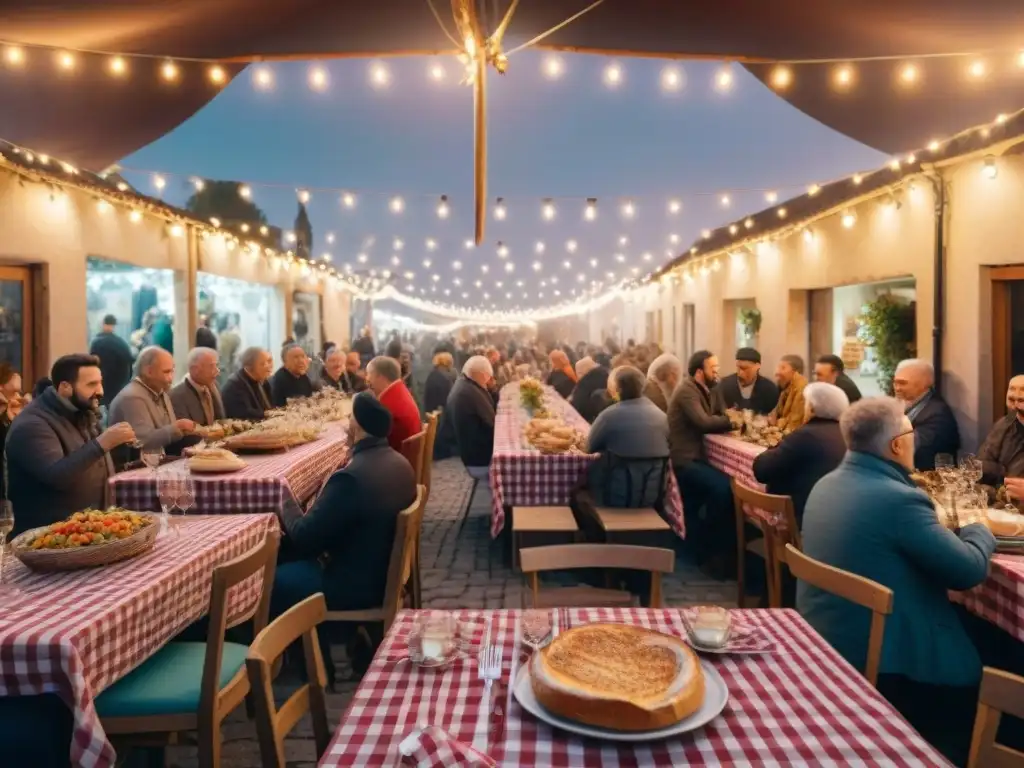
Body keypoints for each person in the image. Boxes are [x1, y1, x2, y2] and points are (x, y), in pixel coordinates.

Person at [799, 397, 996, 765]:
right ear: (897, 444)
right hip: (886, 654)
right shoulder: (898, 500)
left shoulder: (826, 484)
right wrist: (978, 528)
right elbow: (969, 571)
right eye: (911, 432)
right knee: (998, 641)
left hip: (832, 632)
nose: (914, 440)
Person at [272, 392, 417, 673]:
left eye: (350, 418)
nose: (347, 424)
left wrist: (284, 497)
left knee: (269, 579)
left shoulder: (351, 478)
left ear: (359, 426)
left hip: (350, 586)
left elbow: (304, 538)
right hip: (380, 574)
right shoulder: (398, 463)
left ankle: (308, 666)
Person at [6, 354, 137, 535]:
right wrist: (102, 443)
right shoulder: (32, 424)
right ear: (65, 387)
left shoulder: (82, 410)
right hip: (48, 541)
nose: (100, 391)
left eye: (100, 382)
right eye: (91, 384)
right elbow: (56, 476)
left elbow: (96, 465)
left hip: (91, 531)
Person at [668, 351, 736, 577]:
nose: (717, 371)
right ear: (699, 371)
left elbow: (721, 413)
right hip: (684, 459)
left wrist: (727, 416)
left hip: (698, 457)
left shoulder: (711, 388)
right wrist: (731, 421)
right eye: (712, 367)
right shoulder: (687, 390)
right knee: (724, 489)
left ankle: (711, 547)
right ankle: (713, 551)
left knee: (718, 488)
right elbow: (705, 422)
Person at [752, 382, 849, 527]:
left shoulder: (806, 435)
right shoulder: (847, 435)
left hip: (806, 520)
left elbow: (762, 471)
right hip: (839, 516)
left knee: (751, 501)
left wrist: (773, 447)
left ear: (811, 408)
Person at [586, 366, 670, 507]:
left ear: (618, 390)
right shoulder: (662, 416)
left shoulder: (608, 416)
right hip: (652, 499)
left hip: (614, 497)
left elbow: (588, 448)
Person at [108, 347, 195, 461]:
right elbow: (143, 442)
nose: (171, 378)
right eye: (166, 372)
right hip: (132, 469)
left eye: (172, 371)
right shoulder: (132, 397)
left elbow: (167, 434)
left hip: (156, 461)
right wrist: (177, 428)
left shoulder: (161, 391)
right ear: (149, 371)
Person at [892, 358, 960, 470]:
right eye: (895, 382)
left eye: (903, 383)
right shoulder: (907, 404)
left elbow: (910, 448)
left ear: (924, 384)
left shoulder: (938, 414)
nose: (897, 388)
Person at [446, 356, 496, 481]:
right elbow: (492, 425)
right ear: (482, 375)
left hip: (469, 453)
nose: (488, 382)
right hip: (478, 461)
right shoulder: (469, 393)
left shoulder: (465, 384)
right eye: (488, 377)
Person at [366, 356, 421, 452]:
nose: (367, 379)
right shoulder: (399, 389)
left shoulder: (386, 405)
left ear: (380, 377)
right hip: (408, 453)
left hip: (397, 457)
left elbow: (370, 437)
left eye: (369, 374)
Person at [978, 374, 1024, 484]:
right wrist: (1002, 471)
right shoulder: (1006, 421)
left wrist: (1000, 471)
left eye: (1023, 389)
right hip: (997, 493)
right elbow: (981, 464)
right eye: (1012, 389)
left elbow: (1016, 476)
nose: (1016, 394)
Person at [169, 347, 225, 427]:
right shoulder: (177, 396)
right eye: (211, 366)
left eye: (217, 365)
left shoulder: (215, 386)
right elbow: (186, 435)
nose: (217, 371)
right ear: (195, 369)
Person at [716, 347, 779, 415]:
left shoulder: (769, 389)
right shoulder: (725, 385)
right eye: (738, 367)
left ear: (757, 366)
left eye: (745, 368)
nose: (740, 373)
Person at [89, 313, 134, 407]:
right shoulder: (122, 343)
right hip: (120, 388)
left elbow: (92, 365)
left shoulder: (97, 343)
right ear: (114, 325)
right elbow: (130, 364)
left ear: (102, 324)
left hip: (103, 388)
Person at [221, 346, 274, 421]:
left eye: (269, 361)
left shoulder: (264, 381)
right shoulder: (235, 385)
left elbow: (271, 407)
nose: (268, 367)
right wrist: (271, 414)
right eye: (262, 364)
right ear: (249, 366)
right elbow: (245, 414)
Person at [772, 354, 808, 431]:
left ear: (796, 372)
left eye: (783, 368)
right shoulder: (785, 387)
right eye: (778, 368)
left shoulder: (802, 389)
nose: (777, 372)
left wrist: (775, 423)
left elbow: (795, 423)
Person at [571, 356, 611, 424]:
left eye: (578, 372)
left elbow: (578, 404)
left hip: (589, 420)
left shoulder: (585, 382)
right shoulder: (606, 373)